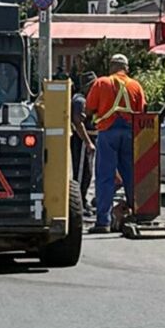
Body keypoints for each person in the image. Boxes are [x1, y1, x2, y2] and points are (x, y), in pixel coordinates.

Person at [85, 54, 147, 233]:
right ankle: (134, 214)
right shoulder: (136, 85)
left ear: (111, 67)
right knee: (130, 175)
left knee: (105, 176)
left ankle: (103, 222)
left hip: (108, 131)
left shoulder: (102, 83)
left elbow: (89, 109)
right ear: (126, 68)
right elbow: (142, 111)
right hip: (129, 132)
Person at [70, 72, 97, 218]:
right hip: (80, 142)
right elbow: (77, 122)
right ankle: (78, 204)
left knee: (88, 173)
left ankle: (83, 201)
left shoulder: (87, 99)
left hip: (87, 141)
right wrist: (88, 142)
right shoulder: (80, 101)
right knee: (81, 173)